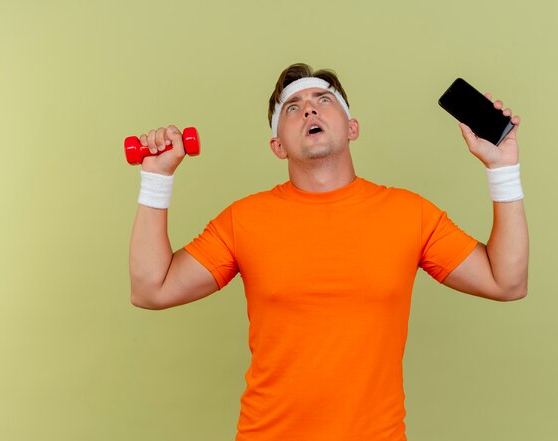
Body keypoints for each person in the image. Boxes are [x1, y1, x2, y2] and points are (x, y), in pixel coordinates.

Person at [129, 63, 528, 441]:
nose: (309, 110)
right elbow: (152, 289)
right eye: (293, 108)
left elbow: (506, 281)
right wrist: (156, 178)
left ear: (352, 127)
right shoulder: (244, 219)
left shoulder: (409, 213)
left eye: (324, 100)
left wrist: (503, 169)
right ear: (277, 145)